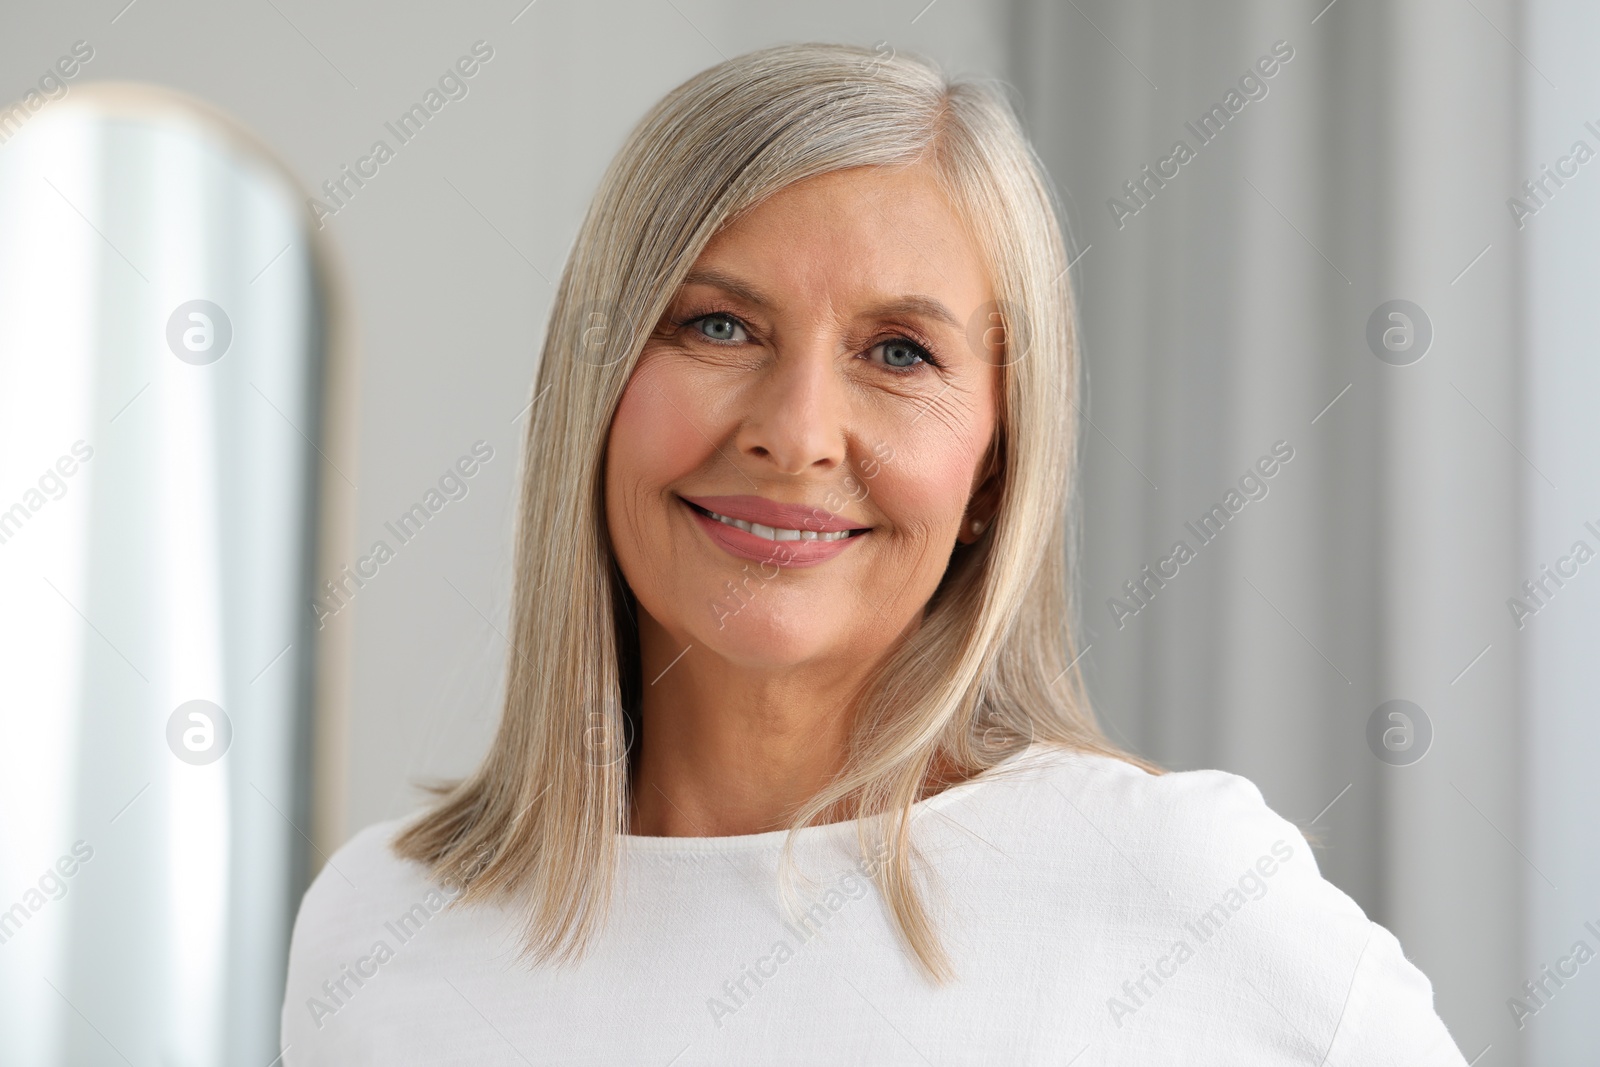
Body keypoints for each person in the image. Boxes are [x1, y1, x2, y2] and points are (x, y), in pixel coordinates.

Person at [281, 41, 1468, 1064]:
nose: (794, 433)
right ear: (592, 387)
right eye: (716, 323)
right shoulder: (377, 924)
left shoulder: (1172, 882)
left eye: (899, 353)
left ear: (994, 468)